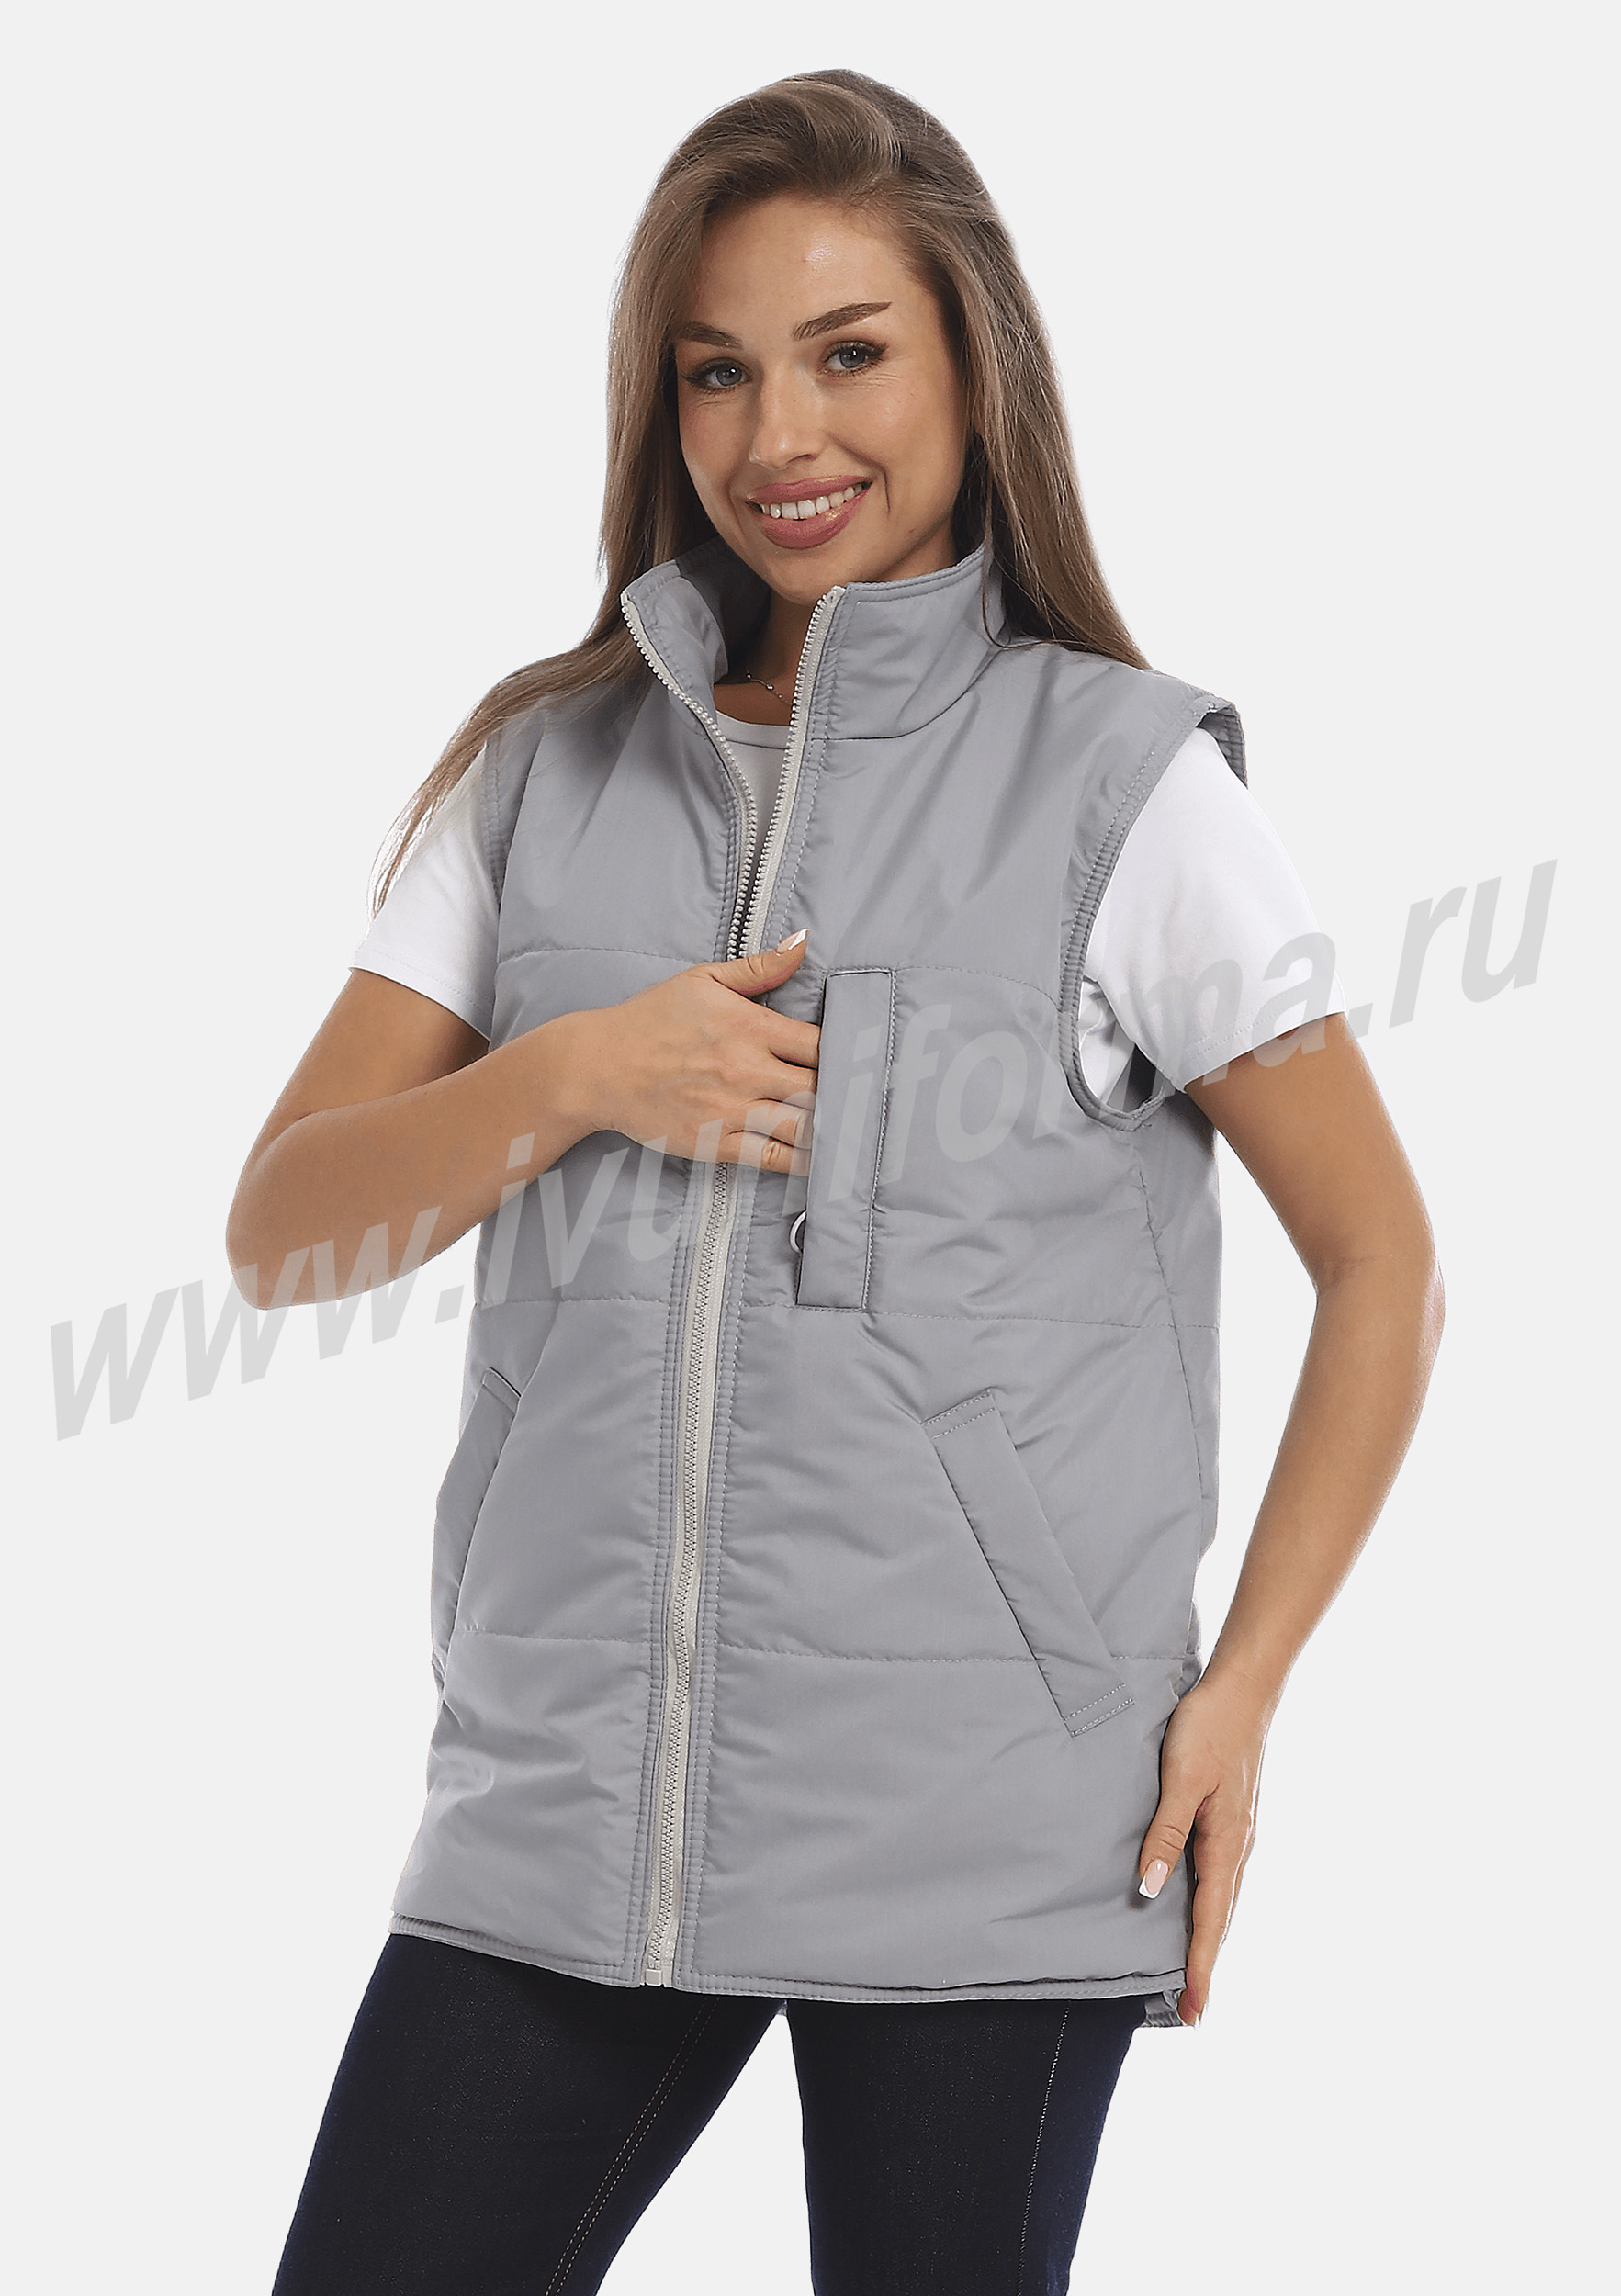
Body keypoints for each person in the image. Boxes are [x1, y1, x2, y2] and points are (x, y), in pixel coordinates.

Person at [229, 68, 1444, 2296]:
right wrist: (578, 1070)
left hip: (996, 1836)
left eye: (846, 352)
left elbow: (1382, 1260)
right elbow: (288, 1228)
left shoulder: (1123, 785)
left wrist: (1243, 1687)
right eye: (716, 369)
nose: (778, 431)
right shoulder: (541, 771)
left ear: (973, 363)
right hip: (560, 1827)